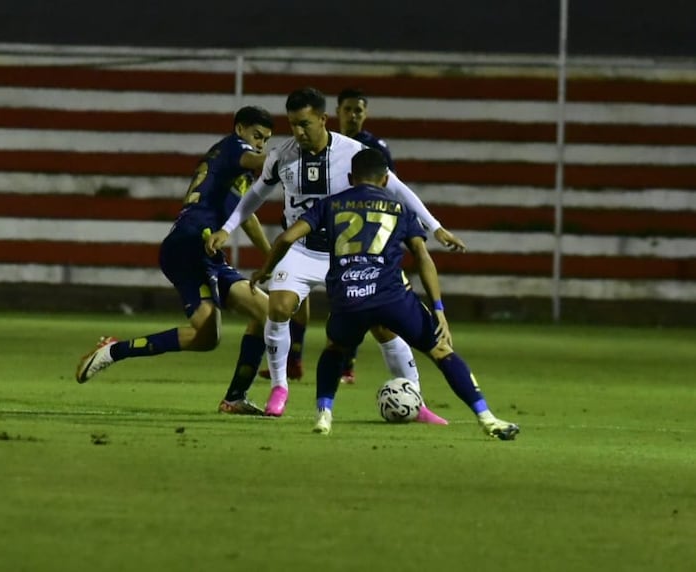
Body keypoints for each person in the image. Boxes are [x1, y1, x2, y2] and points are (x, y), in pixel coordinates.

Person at [206, 87, 466, 420]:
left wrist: (436, 227)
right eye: (292, 125)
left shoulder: (354, 152)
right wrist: (227, 229)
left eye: (304, 124)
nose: (298, 132)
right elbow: (254, 197)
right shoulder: (281, 156)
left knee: (384, 326)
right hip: (300, 250)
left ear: (322, 119)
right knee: (279, 307)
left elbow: (399, 188)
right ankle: (280, 388)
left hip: (346, 254)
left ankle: (417, 402)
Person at [251, 148, 520, 439]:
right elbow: (421, 256)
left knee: (335, 350)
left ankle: (324, 416)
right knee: (441, 350)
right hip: (391, 297)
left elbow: (287, 237)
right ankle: (488, 418)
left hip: (347, 298)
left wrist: (266, 269)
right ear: (384, 180)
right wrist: (438, 307)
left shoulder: (330, 204)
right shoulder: (398, 207)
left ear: (351, 178)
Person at [75, 105, 275, 415]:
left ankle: (234, 398)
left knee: (254, 318)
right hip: (190, 243)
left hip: (206, 250)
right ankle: (113, 351)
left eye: (266, 140)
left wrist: (271, 258)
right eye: (256, 136)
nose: (260, 144)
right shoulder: (234, 147)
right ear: (240, 130)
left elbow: (247, 217)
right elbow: (256, 161)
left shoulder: (237, 172)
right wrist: (289, 157)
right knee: (216, 327)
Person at [256, 87, 395, 385]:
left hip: (348, 243)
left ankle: (348, 364)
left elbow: (387, 190)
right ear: (337, 112)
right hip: (306, 244)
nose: (354, 115)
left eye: (359, 110)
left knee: (361, 306)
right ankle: (293, 361)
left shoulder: (367, 149)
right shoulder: (296, 152)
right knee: (291, 299)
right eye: (349, 109)